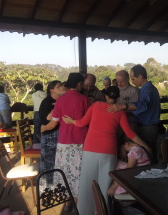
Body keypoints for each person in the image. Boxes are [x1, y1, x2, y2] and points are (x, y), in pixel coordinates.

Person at [62, 86, 151, 215]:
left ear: (106, 96)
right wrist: (146, 146)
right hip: (108, 151)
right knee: (104, 184)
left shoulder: (96, 105)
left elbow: (81, 123)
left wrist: (70, 121)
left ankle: (84, 212)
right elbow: (130, 134)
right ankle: (103, 212)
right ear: (118, 98)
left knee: (87, 181)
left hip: (90, 148)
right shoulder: (120, 112)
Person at [41, 73, 90, 204]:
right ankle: (78, 199)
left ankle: (68, 200)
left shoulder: (60, 100)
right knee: (79, 170)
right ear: (79, 84)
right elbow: (89, 121)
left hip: (64, 140)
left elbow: (53, 123)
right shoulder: (84, 99)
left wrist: (43, 129)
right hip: (81, 140)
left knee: (65, 170)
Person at [108, 64, 161, 163]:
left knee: (148, 153)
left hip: (148, 127)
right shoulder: (145, 89)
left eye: (133, 79)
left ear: (140, 77)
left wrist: (124, 106)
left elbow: (143, 105)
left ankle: (153, 172)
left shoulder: (147, 90)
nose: (133, 81)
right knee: (146, 152)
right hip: (143, 126)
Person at [38, 80, 61, 192]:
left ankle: (56, 187)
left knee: (56, 162)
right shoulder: (47, 102)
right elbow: (48, 119)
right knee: (48, 162)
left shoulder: (60, 100)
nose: (60, 88)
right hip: (49, 136)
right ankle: (45, 189)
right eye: (58, 87)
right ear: (51, 90)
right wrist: (56, 107)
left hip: (58, 135)